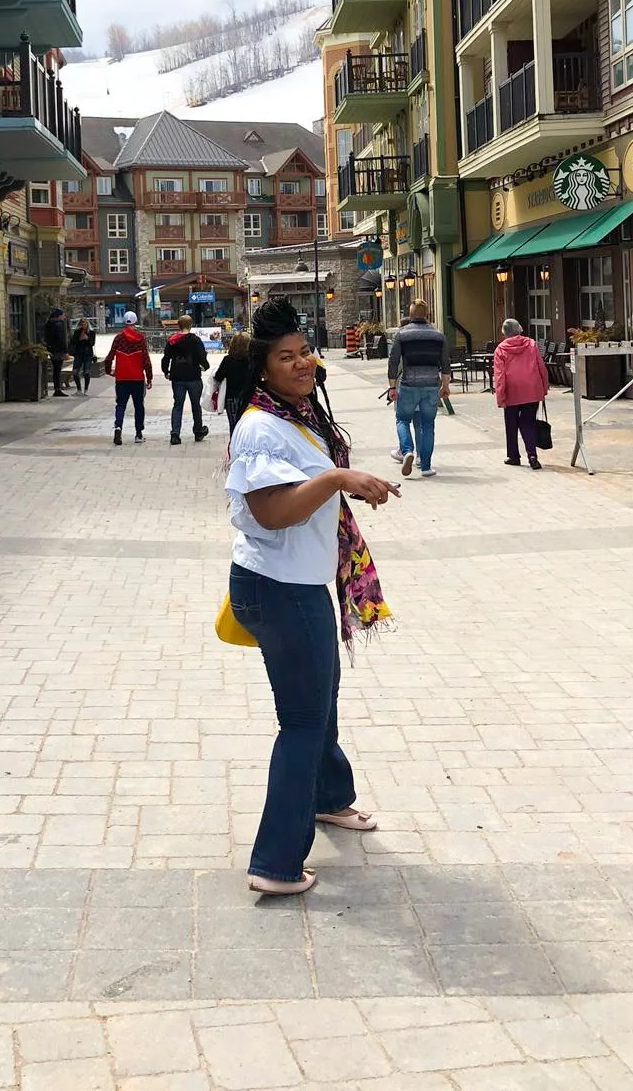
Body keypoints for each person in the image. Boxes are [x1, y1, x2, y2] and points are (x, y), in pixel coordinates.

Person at [227, 297, 398, 897]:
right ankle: (274, 863)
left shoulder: (296, 413)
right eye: (286, 357)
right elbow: (271, 512)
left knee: (320, 700)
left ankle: (329, 797)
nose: (301, 364)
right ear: (263, 366)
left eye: (305, 353)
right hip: (279, 589)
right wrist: (336, 479)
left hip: (300, 585)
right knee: (301, 721)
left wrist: (342, 479)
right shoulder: (260, 426)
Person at [386, 299, 452, 479]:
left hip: (408, 384)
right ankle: (426, 466)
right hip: (431, 384)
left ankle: (407, 450)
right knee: (428, 425)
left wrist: (392, 387)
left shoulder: (402, 334)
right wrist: (445, 386)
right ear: (427, 315)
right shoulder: (438, 335)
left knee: (402, 419)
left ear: (410, 315)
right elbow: (445, 363)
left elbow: (393, 362)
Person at [493, 316, 549, 470]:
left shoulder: (501, 349)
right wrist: (544, 387)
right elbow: (541, 366)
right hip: (531, 388)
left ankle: (513, 456)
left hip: (511, 390)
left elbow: (499, 375)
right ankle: (532, 455)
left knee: (511, 424)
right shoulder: (531, 344)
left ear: (505, 332)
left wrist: (500, 396)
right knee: (528, 423)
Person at [104, 311, 153, 445]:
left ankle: (118, 426)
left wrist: (109, 371)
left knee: (120, 405)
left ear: (124, 322)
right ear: (136, 321)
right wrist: (149, 377)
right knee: (139, 406)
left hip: (122, 378)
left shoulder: (118, 338)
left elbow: (109, 357)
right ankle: (138, 434)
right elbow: (146, 359)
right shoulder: (140, 339)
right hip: (137, 378)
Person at [161, 314, 210, 445]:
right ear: (191, 325)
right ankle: (198, 431)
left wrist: (166, 371)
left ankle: (175, 434)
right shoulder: (195, 340)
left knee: (177, 405)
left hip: (177, 377)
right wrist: (205, 366)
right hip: (193, 376)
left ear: (179, 325)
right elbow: (202, 356)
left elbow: (166, 358)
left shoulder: (172, 340)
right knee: (195, 406)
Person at [213, 331, 252, 435]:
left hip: (231, 397)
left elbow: (218, 377)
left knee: (234, 425)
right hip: (249, 397)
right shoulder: (251, 361)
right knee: (249, 425)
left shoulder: (227, 360)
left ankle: (234, 446)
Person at [44, 308, 69, 396]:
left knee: (55, 370)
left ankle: (57, 388)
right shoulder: (58, 325)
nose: (64, 316)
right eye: (62, 315)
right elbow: (61, 339)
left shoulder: (49, 324)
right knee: (58, 370)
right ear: (58, 316)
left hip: (52, 350)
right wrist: (65, 351)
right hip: (58, 350)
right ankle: (57, 389)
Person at [69, 318, 95, 393]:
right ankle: (79, 389)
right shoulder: (77, 332)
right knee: (75, 371)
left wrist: (87, 338)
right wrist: (79, 338)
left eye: (84, 324)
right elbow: (73, 341)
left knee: (87, 371)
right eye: (81, 324)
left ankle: (86, 389)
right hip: (78, 353)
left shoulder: (91, 332)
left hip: (87, 354)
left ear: (87, 324)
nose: (83, 326)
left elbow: (92, 343)